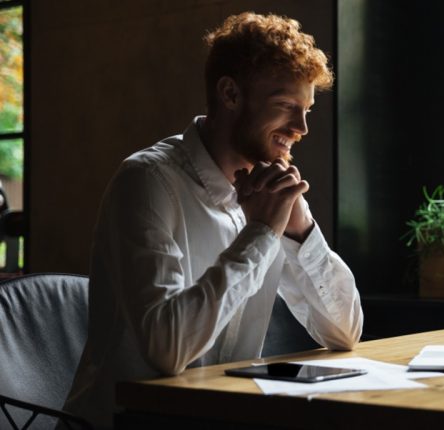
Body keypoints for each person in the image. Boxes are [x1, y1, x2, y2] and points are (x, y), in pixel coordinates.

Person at [63, 12, 363, 428]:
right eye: (286, 106)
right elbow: (166, 351)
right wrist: (260, 234)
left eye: (307, 109)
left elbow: (345, 332)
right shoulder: (148, 182)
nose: (302, 127)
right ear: (230, 94)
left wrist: (298, 231)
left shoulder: (274, 191)